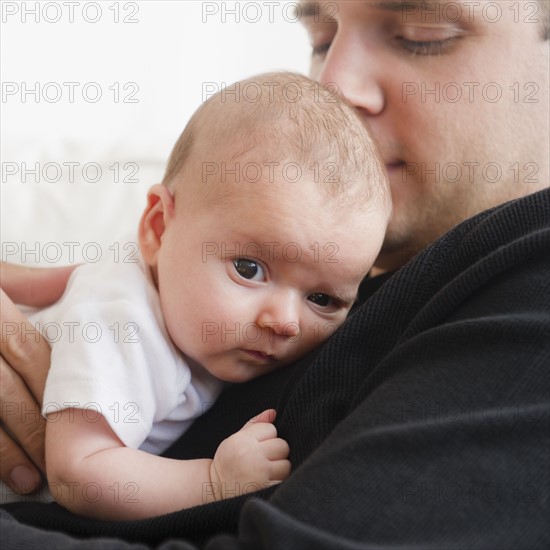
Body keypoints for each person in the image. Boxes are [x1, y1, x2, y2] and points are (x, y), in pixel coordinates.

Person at [0, 0, 548, 548]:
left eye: (419, 36)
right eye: (319, 39)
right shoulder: (133, 305)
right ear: (159, 226)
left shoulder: (525, 290)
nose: (334, 82)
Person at [0, 71, 391, 520]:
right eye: (249, 269)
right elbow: (79, 473)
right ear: (158, 228)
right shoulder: (121, 319)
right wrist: (213, 482)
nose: (285, 322)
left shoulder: (201, 326)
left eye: (323, 300)